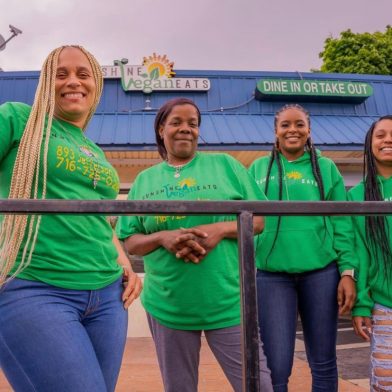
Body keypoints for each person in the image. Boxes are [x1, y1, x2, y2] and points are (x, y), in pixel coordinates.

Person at [0, 45, 142, 392]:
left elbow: (97, 216)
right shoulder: (18, 119)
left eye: (83, 74)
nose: (72, 81)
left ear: (96, 86)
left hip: (109, 296)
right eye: (60, 74)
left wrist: (123, 259)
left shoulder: (93, 150)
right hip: (33, 287)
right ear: (46, 83)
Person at [116, 97, 273, 392]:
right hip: (168, 305)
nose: (186, 129)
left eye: (193, 123)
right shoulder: (144, 180)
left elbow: (260, 219)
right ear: (161, 129)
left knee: (258, 385)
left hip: (228, 302)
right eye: (177, 122)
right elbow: (132, 242)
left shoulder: (225, 165)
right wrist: (163, 238)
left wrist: (219, 229)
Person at [248, 103, 357, 392]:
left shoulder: (326, 168)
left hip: (321, 273)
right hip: (271, 276)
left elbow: (342, 223)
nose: (292, 130)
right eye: (285, 125)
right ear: (276, 131)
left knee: (323, 360)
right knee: (276, 364)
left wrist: (347, 272)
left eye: (299, 124)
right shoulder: (258, 168)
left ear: (308, 130)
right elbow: (242, 220)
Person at [349, 115, 392, 391]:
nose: (388, 140)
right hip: (385, 304)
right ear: (370, 143)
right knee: (385, 382)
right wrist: (362, 305)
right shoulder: (358, 196)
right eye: (381, 135)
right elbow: (360, 254)